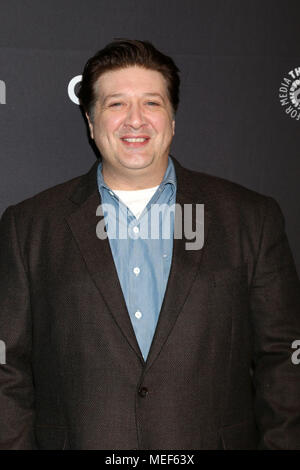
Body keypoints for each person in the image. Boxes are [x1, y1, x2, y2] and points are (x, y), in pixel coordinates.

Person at [0, 39, 299, 450]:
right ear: (90, 122)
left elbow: (284, 360)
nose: (135, 120)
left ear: (173, 119)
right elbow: (7, 370)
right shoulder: (29, 226)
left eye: (152, 103)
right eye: (116, 104)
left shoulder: (251, 219)